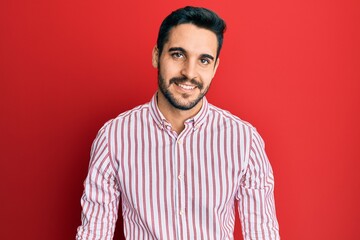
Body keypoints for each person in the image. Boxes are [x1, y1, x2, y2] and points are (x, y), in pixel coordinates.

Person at [76, 6, 280, 240]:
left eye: (203, 60)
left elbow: (262, 233)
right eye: (178, 54)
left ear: (215, 68)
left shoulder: (244, 141)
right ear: (156, 55)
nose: (189, 72)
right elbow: (94, 233)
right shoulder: (114, 137)